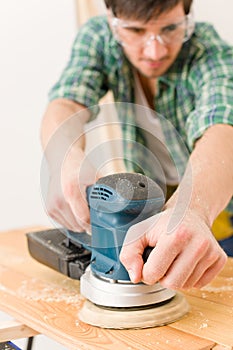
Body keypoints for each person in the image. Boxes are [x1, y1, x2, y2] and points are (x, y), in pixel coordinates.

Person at [41, 0, 233, 290]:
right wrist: (63, 158)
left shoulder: (209, 51)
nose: (155, 50)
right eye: (135, 30)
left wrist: (192, 210)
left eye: (170, 28)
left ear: (187, 15)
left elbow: (223, 129)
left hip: (217, 201)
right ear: (112, 19)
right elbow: (65, 103)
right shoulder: (99, 37)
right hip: (156, 203)